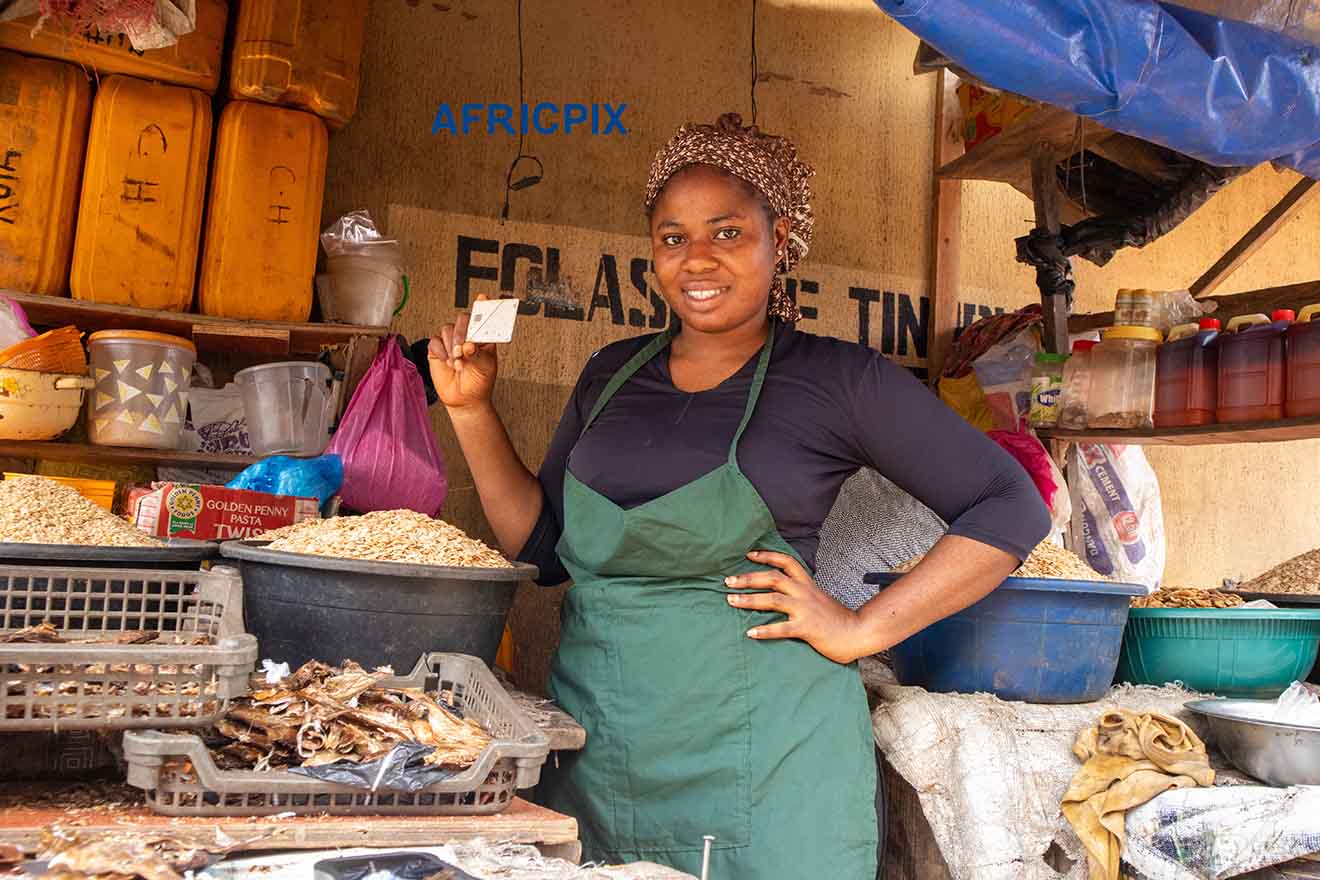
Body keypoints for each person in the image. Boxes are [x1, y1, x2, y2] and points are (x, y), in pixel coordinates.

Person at [429, 112, 1050, 879]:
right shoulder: (611, 373)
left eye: (727, 233)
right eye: (672, 237)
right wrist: (470, 410)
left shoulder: (837, 381)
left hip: (770, 761)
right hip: (607, 747)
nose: (698, 260)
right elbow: (541, 549)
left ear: (779, 237)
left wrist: (860, 629)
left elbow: (1009, 503)